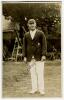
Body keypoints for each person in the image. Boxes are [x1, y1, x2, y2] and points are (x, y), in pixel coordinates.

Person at [23, 19, 47, 95]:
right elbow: (24, 46)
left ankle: (41, 90)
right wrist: (25, 56)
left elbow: (44, 44)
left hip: (39, 57)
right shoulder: (26, 35)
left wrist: (43, 54)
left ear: (35, 24)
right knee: (32, 74)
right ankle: (34, 89)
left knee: (40, 73)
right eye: (30, 24)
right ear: (28, 25)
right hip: (30, 57)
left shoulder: (40, 33)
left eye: (33, 24)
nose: (32, 25)